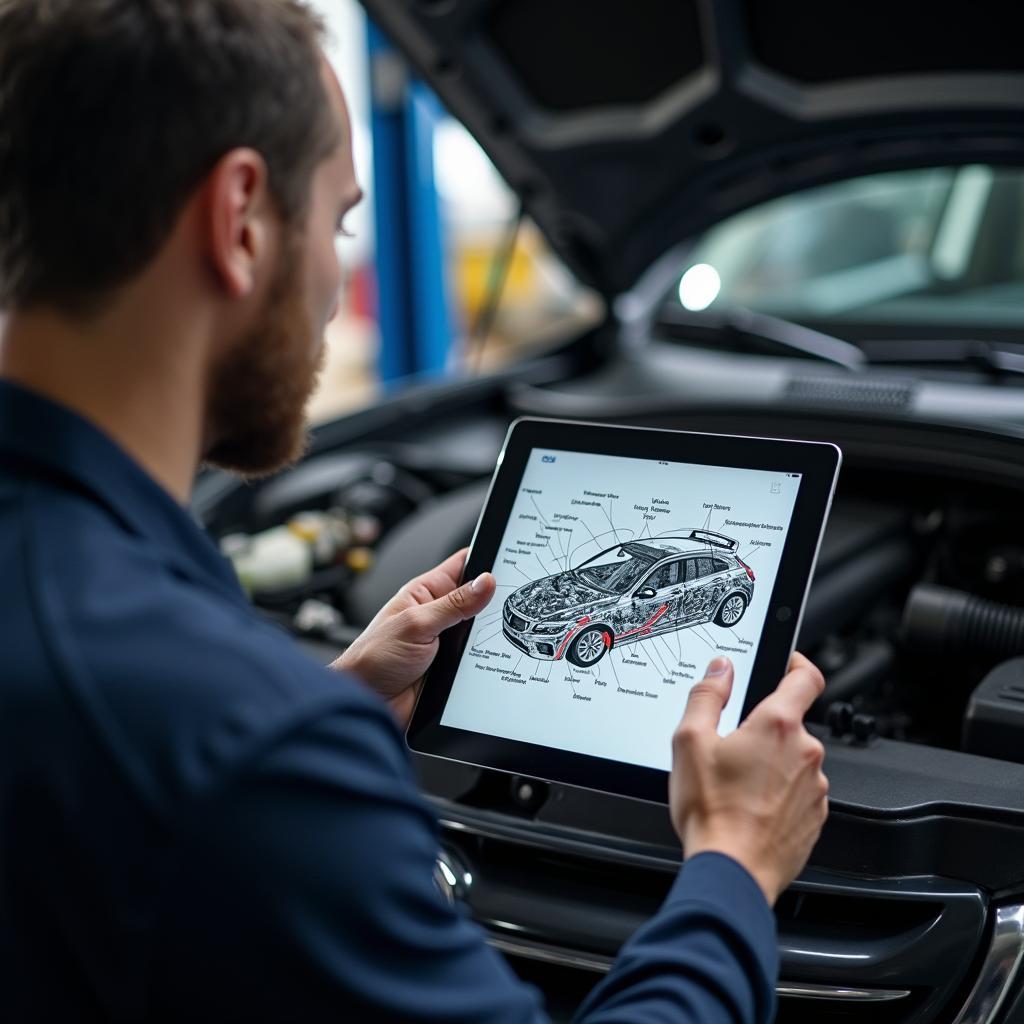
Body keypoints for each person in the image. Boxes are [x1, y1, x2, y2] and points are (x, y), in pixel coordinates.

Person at [0, 1, 829, 1021]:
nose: (332, 279)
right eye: (342, 220)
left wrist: (341, 711)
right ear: (242, 219)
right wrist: (733, 865)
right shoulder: (233, 737)